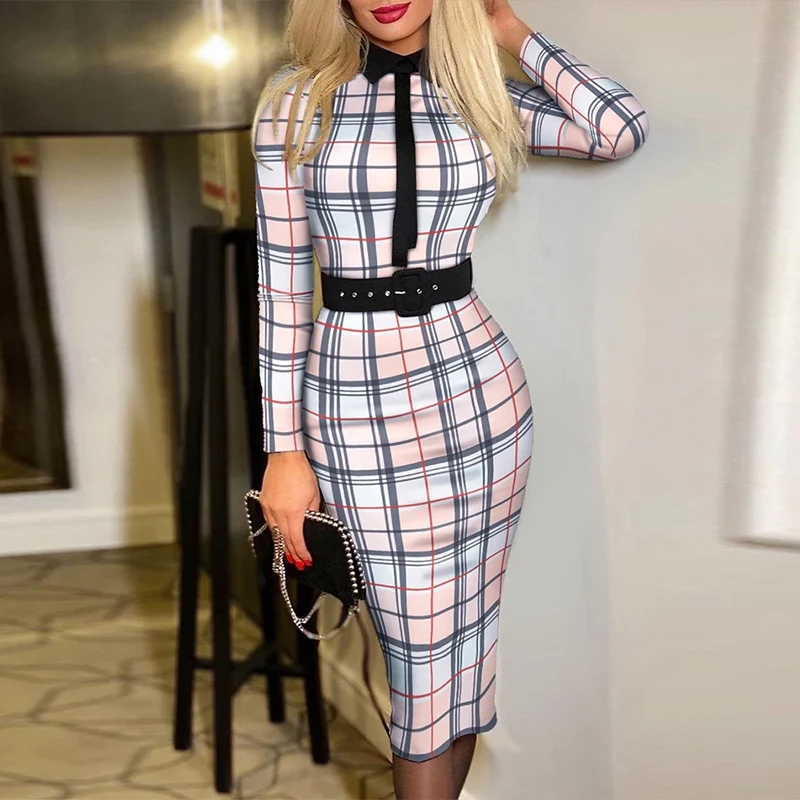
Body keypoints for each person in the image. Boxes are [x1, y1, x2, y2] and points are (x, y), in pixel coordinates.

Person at [251, 1, 649, 797]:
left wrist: (507, 30)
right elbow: (281, 289)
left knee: (463, 652)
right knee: (422, 659)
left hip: (479, 387)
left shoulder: (477, 93)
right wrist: (282, 451)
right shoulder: (294, 102)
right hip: (355, 395)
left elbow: (618, 129)